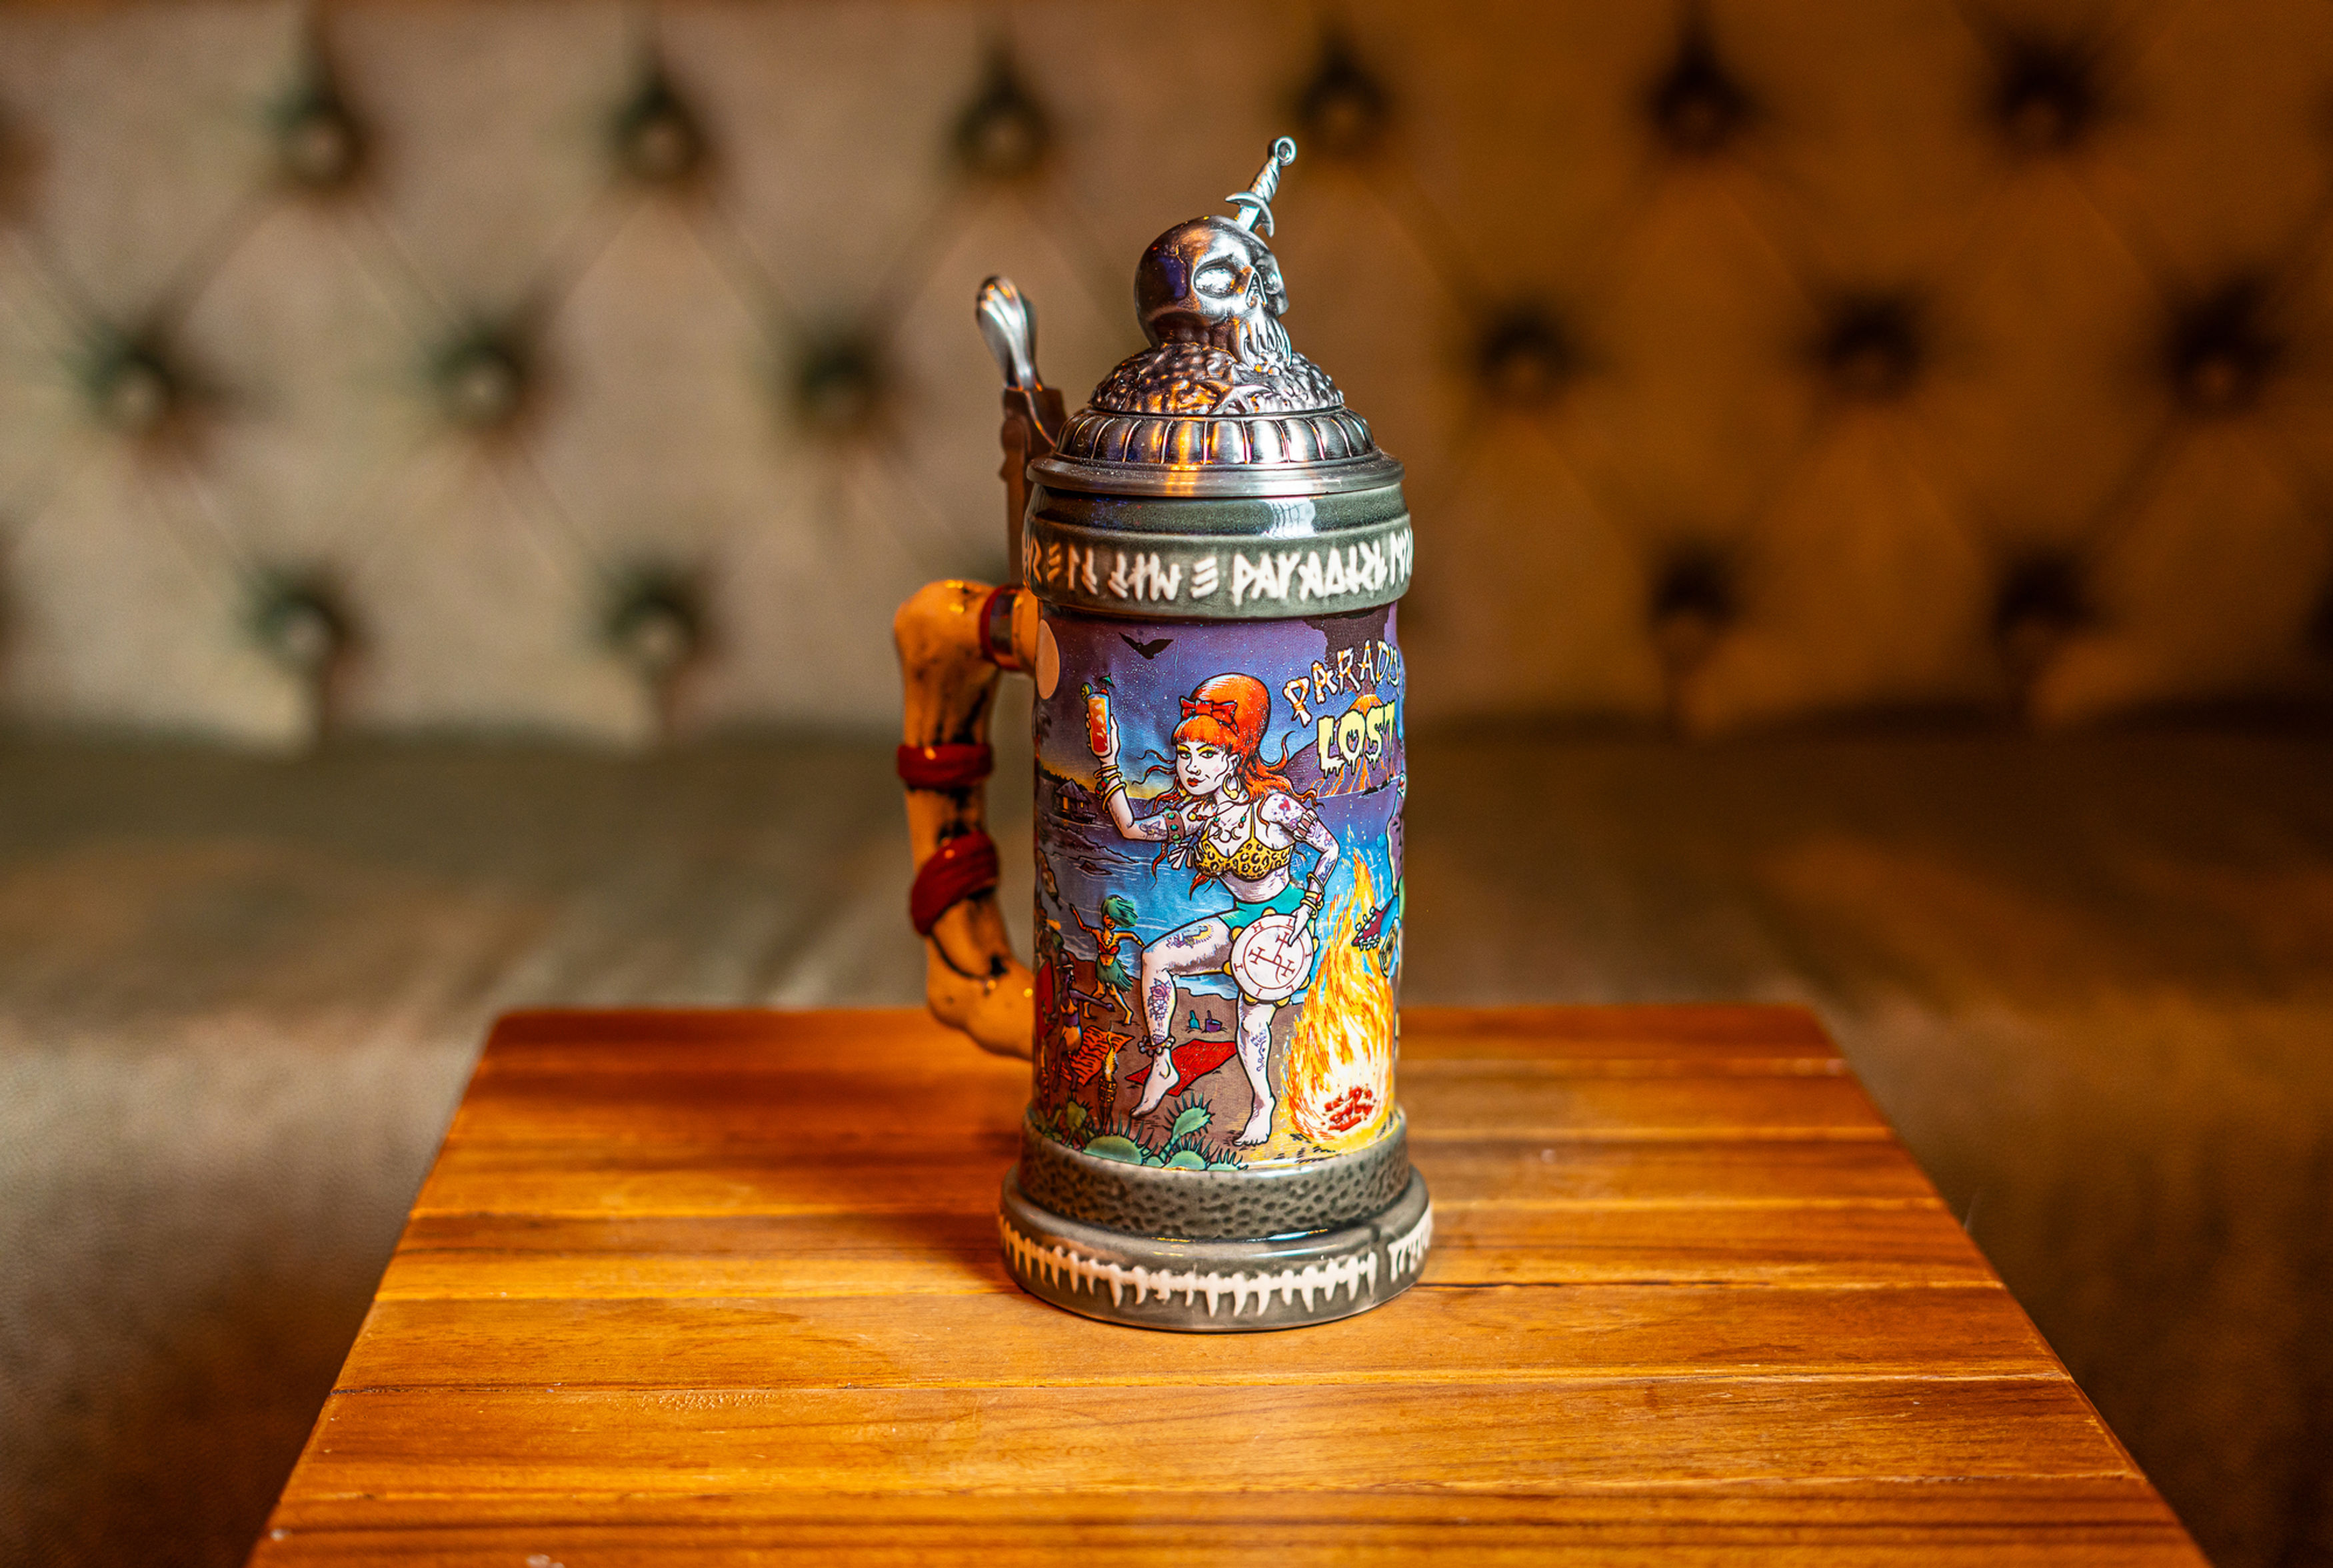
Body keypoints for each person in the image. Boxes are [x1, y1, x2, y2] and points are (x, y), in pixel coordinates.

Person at [1091, 673, 1338, 1146]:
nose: (1192, 768)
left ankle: (1263, 1103)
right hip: (1235, 924)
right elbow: (1131, 829)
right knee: (1154, 958)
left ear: (1234, 759)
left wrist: (1307, 907)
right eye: (1184, 755)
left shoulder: (1271, 809)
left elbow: (1327, 848)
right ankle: (1163, 1061)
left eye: (1208, 755)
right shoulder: (1195, 816)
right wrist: (1108, 759)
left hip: (1279, 931)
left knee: (1251, 1022)